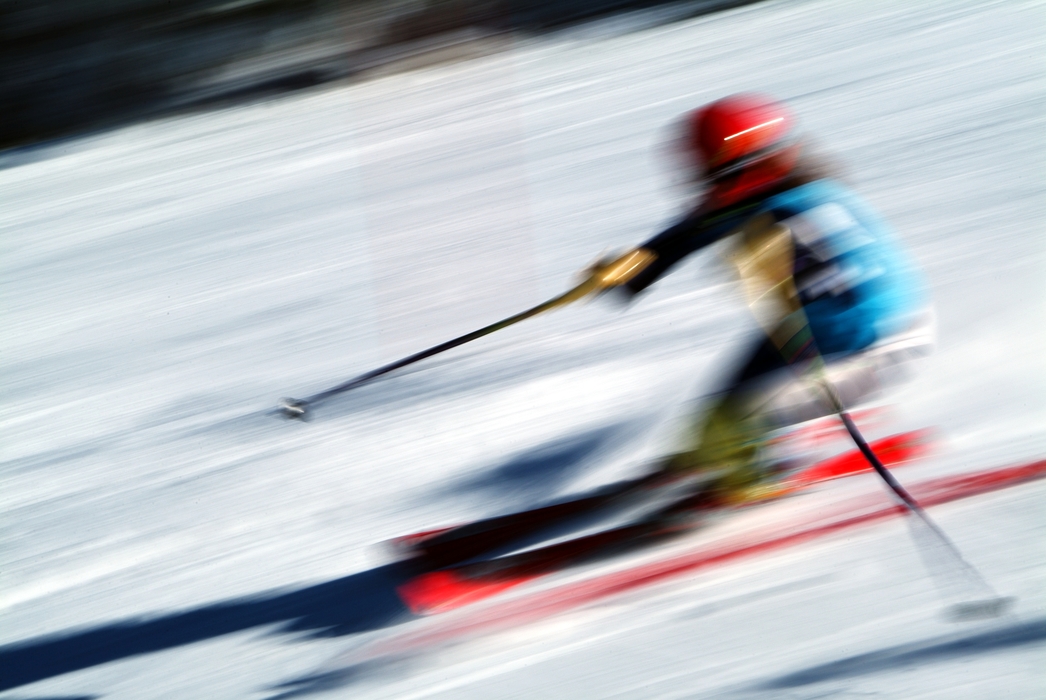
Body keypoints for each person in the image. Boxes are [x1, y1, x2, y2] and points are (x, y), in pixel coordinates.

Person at [582, 93, 933, 506]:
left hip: (876, 346)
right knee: (725, 407)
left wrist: (806, 281)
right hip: (817, 328)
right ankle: (720, 449)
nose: (705, 190)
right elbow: (689, 232)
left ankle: (752, 473)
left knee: (739, 418)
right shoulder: (772, 192)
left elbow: (850, 283)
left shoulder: (791, 213)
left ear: (751, 167)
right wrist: (628, 273)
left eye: (714, 178)